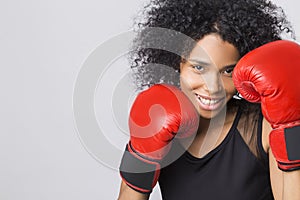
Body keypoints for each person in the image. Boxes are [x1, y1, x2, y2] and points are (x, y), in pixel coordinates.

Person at [117, 0, 300, 199]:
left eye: (228, 71)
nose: (213, 87)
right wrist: (140, 156)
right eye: (199, 68)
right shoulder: (160, 120)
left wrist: (291, 131)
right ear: (176, 63)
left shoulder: (263, 126)